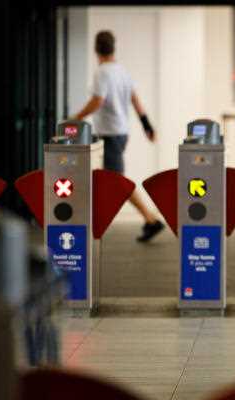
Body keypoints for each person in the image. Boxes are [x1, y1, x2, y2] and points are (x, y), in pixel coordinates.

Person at [72, 30, 165, 243]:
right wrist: (147, 126)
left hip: (110, 134)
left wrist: (76, 117)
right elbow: (135, 100)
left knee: (117, 181)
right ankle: (97, 218)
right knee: (107, 178)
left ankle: (151, 219)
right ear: (113, 48)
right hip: (121, 132)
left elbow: (98, 101)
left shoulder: (102, 72)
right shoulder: (122, 71)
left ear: (96, 49)